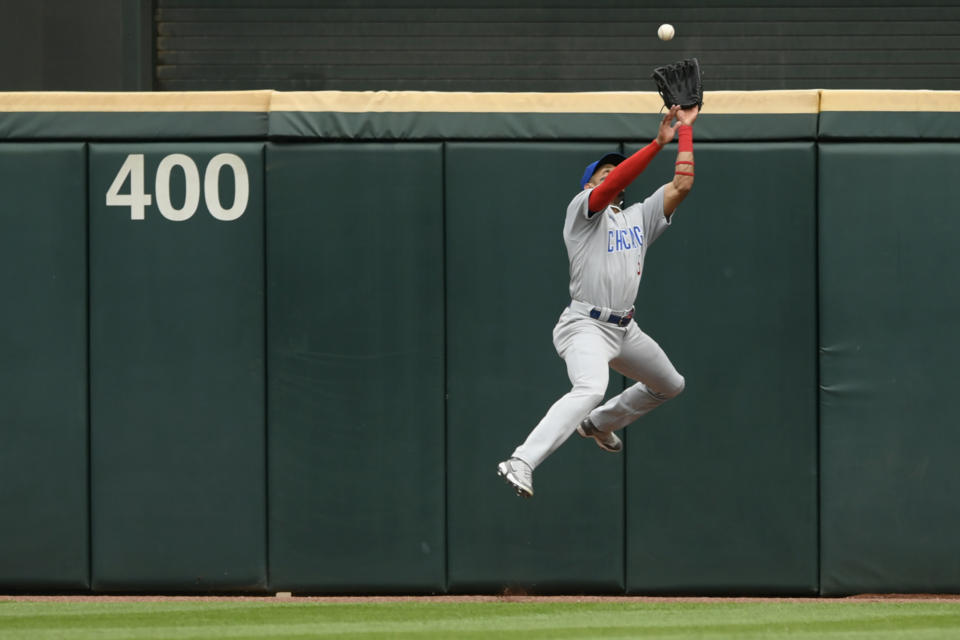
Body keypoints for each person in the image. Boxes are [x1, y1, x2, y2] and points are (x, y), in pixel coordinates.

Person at [497, 104, 699, 498]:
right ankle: (522, 459)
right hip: (584, 325)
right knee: (591, 386)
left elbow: (682, 185)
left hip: (625, 328)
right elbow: (613, 183)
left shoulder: (638, 216)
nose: (611, 177)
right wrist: (658, 143)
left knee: (670, 384)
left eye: (615, 173)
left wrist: (686, 132)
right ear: (588, 184)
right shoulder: (581, 212)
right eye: (602, 174)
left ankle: (598, 424)